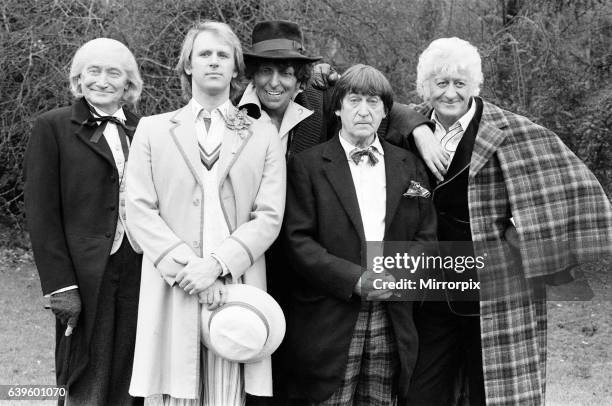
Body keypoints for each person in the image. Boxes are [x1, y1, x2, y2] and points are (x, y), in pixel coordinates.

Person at [404, 37, 612, 405]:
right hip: (430, 291)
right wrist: (415, 128)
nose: (450, 93)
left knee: (496, 394)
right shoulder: (407, 129)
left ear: (474, 86)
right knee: (423, 392)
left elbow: (572, 183)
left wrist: (529, 233)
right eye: (441, 83)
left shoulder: (511, 130)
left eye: (459, 83)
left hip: (498, 288)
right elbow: (369, 103)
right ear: (426, 86)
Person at [125, 21, 285, 406]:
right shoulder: (153, 130)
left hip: (236, 286)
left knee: (226, 395)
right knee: (172, 393)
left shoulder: (260, 133)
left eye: (223, 55)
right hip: (172, 285)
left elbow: (268, 215)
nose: (214, 62)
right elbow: (139, 209)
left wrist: (216, 265)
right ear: (188, 66)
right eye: (204, 54)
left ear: (235, 69)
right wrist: (190, 270)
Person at [283, 64, 438, 405]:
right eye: (354, 100)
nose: (363, 110)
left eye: (373, 101)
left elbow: (427, 237)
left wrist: (397, 276)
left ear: (385, 112)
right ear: (337, 108)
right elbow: (298, 243)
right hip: (331, 316)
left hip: (393, 315)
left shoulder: (409, 165)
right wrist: (355, 280)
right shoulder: (307, 166)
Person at [24, 38, 144, 405]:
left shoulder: (147, 130)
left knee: (132, 374)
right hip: (83, 274)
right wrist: (60, 287)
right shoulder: (54, 127)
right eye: (94, 71)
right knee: (83, 376)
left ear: (129, 83)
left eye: (114, 72)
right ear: (79, 78)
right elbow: (41, 213)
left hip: (139, 269)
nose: (103, 80)